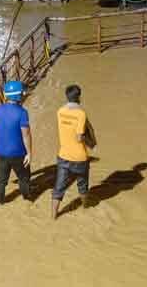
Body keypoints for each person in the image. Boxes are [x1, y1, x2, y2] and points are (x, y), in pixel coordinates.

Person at [51, 84, 96, 219]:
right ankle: (86, 208)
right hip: (79, 157)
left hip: (63, 155)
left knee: (59, 188)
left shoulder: (60, 111)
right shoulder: (81, 114)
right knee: (82, 185)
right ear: (79, 97)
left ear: (67, 96)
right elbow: (79, 136)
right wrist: (91, 144)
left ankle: (53, 217)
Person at [0, 80, 32, 205]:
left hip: (1, 152)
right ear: (20, 96)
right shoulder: (22, 113)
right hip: (18, 153)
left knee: (1, 180)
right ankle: (27, 199)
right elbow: (26, 135)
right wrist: (29, 153)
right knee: (23, 178)